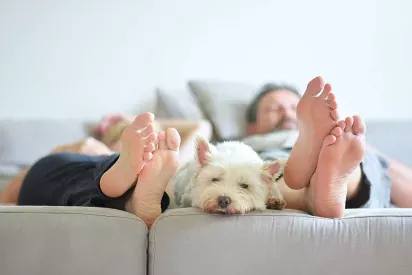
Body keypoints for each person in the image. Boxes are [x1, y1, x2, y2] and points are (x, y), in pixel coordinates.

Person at [242, 76, 412, 218]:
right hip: (272, 152)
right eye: (274, 109)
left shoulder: (348, 140)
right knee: (262, 173)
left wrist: (367, 149)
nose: (286, 113)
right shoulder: (245, 145)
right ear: (252, 127)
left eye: (293, 108)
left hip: (335, 147)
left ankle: (317, 185)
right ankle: (320, 184)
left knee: (348, 156)